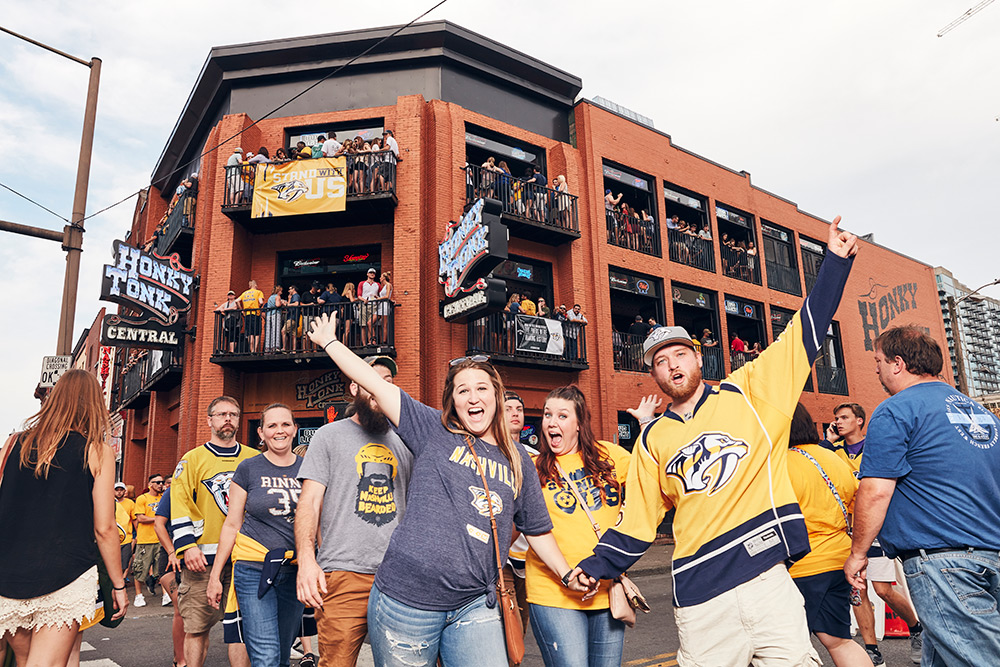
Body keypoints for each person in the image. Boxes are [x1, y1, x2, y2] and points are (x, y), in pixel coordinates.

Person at [570, 216, 858, 665]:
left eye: (680, 354)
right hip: (701, 597)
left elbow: (804, 333)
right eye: (661, 362)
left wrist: (835, 264)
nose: (672, 365)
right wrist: (596, 566)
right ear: (654, 375)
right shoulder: (652, 440)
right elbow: (638, 520)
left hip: (768, 579)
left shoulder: (751, 393)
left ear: (697, 358)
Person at [306, 314, 589, 666]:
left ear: (496, 396)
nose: (473, 397)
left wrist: (566, 574)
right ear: (452, 401)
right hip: (406, 600)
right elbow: (376, 385)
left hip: (475, 601)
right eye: (463, 390)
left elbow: (537, 530)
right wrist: (331, 343)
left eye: (482, 388)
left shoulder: (517, 459)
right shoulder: (432, 430)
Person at [845, 325, 1000, 666]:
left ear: (897, 363)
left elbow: (875, 491)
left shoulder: (896, 409)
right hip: (991, 553)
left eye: (879, 361)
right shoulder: (984, 415)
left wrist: (858, 554)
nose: (876, 369)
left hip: (943, 562)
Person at [0, 370, 128, 665]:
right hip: (65, 571)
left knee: (24, 659)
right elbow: (105, 528)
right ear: (94, 405)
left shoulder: (13, 444)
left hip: (8, 572)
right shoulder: (97, 451)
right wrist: (118, 585)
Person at [296, 356, 413, 666]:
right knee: (336, 662)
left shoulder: (407, 441)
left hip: (400, 576)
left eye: (387, 380)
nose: (380, 386)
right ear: (353, 387)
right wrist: (307, 561)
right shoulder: (328, 436)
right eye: (370, 379)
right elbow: (309, 502)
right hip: (343, 574)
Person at [527, 386, 634, 667]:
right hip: (553, 591)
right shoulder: (533, 467)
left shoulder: (610, 456)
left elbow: (651, 482)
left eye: (562, 416)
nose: (551, 422)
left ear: (579, 423)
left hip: (606, 591)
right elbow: (522, 526)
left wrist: (646, 425)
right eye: (548, 414)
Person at [822, 403, 922, 665]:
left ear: (860, 421)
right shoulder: (835, 453)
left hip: (876, 526)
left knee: (883, 590)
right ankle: (872, 651)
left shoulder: (875, 448)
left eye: (844, 417)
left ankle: (916, 629)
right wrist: (827, 443)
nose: (838, 422)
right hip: (848, 530)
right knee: (858, 591)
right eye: (836, 418)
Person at [208, 404, 306, 667]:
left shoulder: (310, 468)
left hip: (295, 570)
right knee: (266, 656)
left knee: (283, 653)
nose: (279, 431)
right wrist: (215, 576)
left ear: (295, 429)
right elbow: (231, 524)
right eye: (272, 426)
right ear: (261, 433)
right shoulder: (248, 468)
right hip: (253, 569)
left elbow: (318, 523)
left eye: (285, 424)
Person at [172, 396, 258, 667]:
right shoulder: (193, 459)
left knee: (242, 629)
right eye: (221, 414)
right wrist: (187, 546)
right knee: (197, 627)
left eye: (233, 414)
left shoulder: (254, 458)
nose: (228, 419)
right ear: (210, 420)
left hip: (245, 556)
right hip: (203, 559)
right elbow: (180, 503)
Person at [785, 404, 871, 667]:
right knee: (838, 639)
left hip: (802, 566)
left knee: (782, 647)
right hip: (840, 559)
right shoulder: (832, 457)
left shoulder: (780, 464)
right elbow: (861, 501)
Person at [502, 391, 533, 632]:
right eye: (509, 408)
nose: (515, 413)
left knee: (521, 626)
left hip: (530, 557)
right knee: (505, 624)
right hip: (501, 559)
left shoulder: (537, 458)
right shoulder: (491, 453)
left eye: (519, 409)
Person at [154, 486, 187, 667]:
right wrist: (171, 552)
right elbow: (158, 524)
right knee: (181, 608)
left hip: (198, 554)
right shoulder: (173, 490)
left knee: (193, 613)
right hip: (171, 557)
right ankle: (180, 660)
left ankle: (186, 655)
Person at [132, 473, 166, 607]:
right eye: (157, 482)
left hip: (160, 539)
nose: (160, 484)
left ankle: (165, 594)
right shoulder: (142, 499)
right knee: (140, 569)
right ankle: (138, 595)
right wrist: (158, 518)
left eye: (162, 482)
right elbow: (140, 518)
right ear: (150, 484)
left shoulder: (164, 498)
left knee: (162, 569)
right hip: (145, 540)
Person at [114, 482, 135, 587]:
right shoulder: (110, 503)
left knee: (124, 562)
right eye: (117, 490)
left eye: (121, 490)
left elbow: (134, 520)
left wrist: (137, 536)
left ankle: (121, 580)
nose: (119, 492)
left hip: (126, 538)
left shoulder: (130, 503)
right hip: (112, 539)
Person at [239, 280, 266, 354]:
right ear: (255, 285)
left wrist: (241, 310)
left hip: (247, 314)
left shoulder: (244, 293)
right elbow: (261, 302)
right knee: (257, 332)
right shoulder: (258, 292)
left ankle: (251, 350)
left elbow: (237, 301)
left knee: (250, 332)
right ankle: (255, 349)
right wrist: (259, 307)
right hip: (255, 314)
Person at [359, 268, 380, 346]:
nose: (372, 274)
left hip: (373, 305)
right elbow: (359, 295)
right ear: (367, 274)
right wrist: (364, 300)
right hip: (364, 305)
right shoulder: (362, 283)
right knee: (363, 325)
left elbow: (380, 295)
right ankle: (364, 344)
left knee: (370, 324)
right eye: (370, 273)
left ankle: (370, 341)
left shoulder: (377, 284)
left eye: (373, 273)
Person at [264, 285, 284, 353]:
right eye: (281, 291)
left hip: (268, 315)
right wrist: (282, 303)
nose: (281, 292)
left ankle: (267, 348)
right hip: (275, 314)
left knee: (269, 331)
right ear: (278, 291)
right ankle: (275, 346)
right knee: (276, 330)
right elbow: (277, 304)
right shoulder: (277, 296)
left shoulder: (270, 297)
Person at [282, 285, 301, 353]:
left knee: (283, 331)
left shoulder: (295, 296)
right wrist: (287, 302)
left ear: (294, 289)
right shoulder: (293, 296)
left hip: (292, 317)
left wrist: (287, 305)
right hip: (294, 317)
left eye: (290, 289)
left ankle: (284, 348)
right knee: (293, 335)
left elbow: (296, 304)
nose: (289, 291)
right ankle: (294, 350)